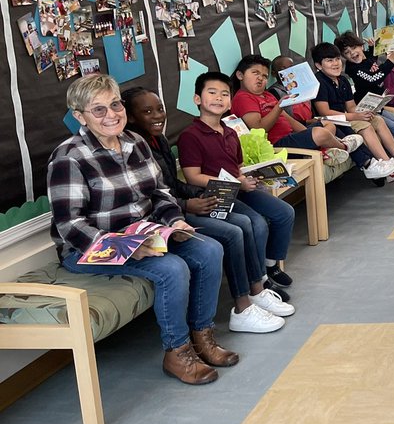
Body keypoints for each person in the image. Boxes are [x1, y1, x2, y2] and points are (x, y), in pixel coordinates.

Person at [48, 74, 234, 385]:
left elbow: (158, 193)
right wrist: (127, 246)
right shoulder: (70, 157)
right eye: (99, 110)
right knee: (172, 268)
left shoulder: (135, 143)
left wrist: (175, 221)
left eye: (115, 105)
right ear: (79, 116)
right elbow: (71, 225)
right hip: (88, 248)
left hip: (147, 232)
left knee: (209, 248)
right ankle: (177, 351)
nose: (112, 115)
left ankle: (203, 336)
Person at [121, 86, 292, 330]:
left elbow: (170, 185)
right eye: (147, 111)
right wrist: (187, 203)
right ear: (132, 116)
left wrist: (200, 195)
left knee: (259, 218)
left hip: (181, 206)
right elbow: (151, 195)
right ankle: (243, 306)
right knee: (236, 229)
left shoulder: (157, 140)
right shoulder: (142, 145)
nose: (158, 116)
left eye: (160, 109)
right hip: (164, 217)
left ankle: (258, 287)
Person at [178, 72, 300, 295]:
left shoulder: (231, 132)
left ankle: (270, 265)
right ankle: (260, 281)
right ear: (197, 99)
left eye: (225, 94)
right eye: (212, 93)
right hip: (217, 194)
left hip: (240, 188)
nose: (218, 98)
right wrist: (237, 182)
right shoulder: (190, 135)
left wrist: (253, 176)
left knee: (284, 212)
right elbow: (193, 177)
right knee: (257, 223)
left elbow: (239, 165)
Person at [310, 42, 394, 182]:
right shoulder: (319, 82)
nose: (335, 63)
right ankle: (388, 166)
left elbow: (351, 106)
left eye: (337, 59)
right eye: (329, 60)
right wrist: (356, 116)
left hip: (346, 117)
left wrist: (365, 111)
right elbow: (324, 112)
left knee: (376, 119)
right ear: (319, 65)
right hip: (332, 122)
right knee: (365, 125)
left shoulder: (343, 80)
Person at [231, 54, 357, 162]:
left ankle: (325, 150)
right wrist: (279, 107)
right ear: (240, 75)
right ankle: (344, 146)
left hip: (291, 136)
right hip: (276, 145)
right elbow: (259, 129)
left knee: (327, 125)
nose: (260, 78)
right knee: (320, 133)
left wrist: (306, 134)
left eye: (264, 76)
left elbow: (289, 120)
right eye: (255, 73)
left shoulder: (267, 95)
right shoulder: (243, 97)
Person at [334, 32, 394, 152]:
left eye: (354, 48)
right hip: (366, 108)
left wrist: (372, 47)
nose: (352, 53)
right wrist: (390, 60)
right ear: (344, 57)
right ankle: (390, 160)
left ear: (361, 45)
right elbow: (373, 79)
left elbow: (371, 59)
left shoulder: (365, 56)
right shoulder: (353, 68)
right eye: (347, 53)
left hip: (378, 105)